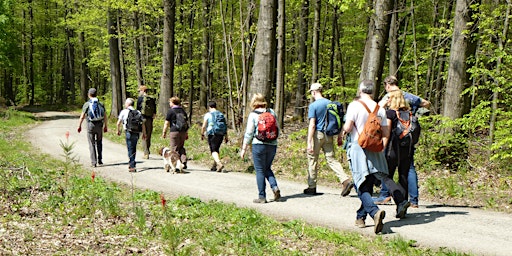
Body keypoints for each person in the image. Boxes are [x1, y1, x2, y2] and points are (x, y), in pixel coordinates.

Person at [343, 80, 410, 234]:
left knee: (360, 184)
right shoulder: (379, 108)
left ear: (360, 90)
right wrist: (381, 147)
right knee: (373, 180)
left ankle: (374, 212)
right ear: (372, 91)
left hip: (358, 147)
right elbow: (386, 133)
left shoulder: (354, 105)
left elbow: (348, 127)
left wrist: (343, 131)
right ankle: (360, 217)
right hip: (375, 148)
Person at [376, 75, 431, 208]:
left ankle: (385, 195)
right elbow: (426, 103)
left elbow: (376, 110)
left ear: (387, 85)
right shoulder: (409, 96)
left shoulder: (388, 96)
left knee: (387, 170)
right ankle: (413, 200)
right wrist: (416, 111)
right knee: (408, 169)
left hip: (394, 141)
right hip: (408, 139)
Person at [304, 82, 353, 196]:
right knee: (331, 159)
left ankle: (312, 187)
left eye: (311, 92)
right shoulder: (330, 103)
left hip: (318, 135)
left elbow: (312, 124)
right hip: (329, 135)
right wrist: (340, 136)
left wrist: (309, 142)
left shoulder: (313, 106)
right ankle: (345, 180)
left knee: (312, 159)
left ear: (314, 92)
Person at [240, 93, 281, 204]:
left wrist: (244, 148)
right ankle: (275, 187)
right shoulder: (271, 112)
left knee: (259, 170)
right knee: (267, 168)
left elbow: (249, 133)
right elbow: (278, 129)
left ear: (253, 103)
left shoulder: (253, 115)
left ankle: (262, 196)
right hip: (272, 144)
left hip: (258, 144)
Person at [380, 90, 413, 206]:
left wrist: (382, 147)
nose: (387, 100)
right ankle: (402, 206)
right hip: (407, 149)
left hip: (393, 149)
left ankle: (400, 201)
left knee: (386, 175)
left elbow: (387, 133)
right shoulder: (409, 113)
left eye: (389, 98)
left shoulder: (390, 113)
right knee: (403, 176)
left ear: (393, 99)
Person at [77, 88, 108, 167]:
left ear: (89, 94)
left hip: (90, 125)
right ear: (96, 94)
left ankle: (93, 162)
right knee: (99, 142)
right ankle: (100, 160)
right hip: (100, 125)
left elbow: (82, 116)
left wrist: (79, 125)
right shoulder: (101, 103)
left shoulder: (87, 104)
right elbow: (105, 116)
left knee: (91, 143)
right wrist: (106, 126)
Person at [116, 98, 146, 172]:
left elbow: (118, 122)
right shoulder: (138, 112)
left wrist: (118, 130)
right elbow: (142, 124)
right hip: (137, 132)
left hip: (128, 131)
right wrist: (144, 133)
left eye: (125, 103)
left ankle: (132, 165)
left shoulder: (124, 111)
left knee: (130, 148)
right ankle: (132, 163)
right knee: (134, 147)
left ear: (128, 104)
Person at [201, 101, 229, 172]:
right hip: (221, 134)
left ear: (209, 107)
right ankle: (214, 166)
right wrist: (226, 137)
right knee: (216, 149)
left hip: (212, 133)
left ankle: (219, 164)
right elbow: (225, 126)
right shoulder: (221, 114)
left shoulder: (208, 114)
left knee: (213, 150)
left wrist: (202, 134)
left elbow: (204, 126)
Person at [162, 97, 188, 169]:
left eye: (170, 102)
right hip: (183, 131)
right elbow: (186, 122)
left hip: (174, 131)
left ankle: (175, 164)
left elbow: (167, 123)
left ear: (173, 103)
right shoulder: (183, 111)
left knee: (174, 149)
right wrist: (186, 133)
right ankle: (183, 160)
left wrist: (164, 132)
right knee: (181, 147)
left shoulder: (171, 111)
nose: (169, 103)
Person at [136, 85, 156, 159]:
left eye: (140, 91)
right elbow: (154, 111)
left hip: (142, 118)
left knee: (144, 135)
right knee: (149, 135)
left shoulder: (140, 99)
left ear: (143, 91)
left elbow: (137, 110)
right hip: (150, 119)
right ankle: (148, 149)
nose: (139, 92)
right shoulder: (152, 98)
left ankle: (146, 153)